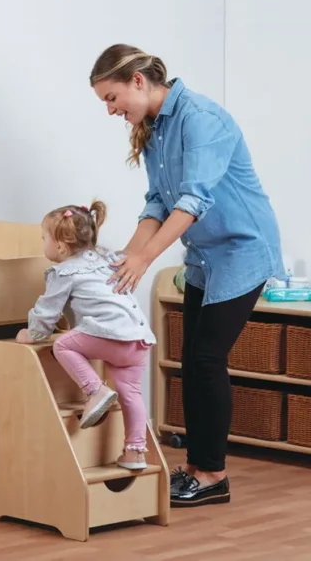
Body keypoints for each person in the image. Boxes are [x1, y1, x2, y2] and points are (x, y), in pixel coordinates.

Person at [89, 44, 284, 508]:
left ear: (138, 81)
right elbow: (158, 199)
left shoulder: (200, 119)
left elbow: (193, 202)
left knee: (205, 360)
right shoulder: (155, 128)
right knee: (191, 361)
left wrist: (148, 259)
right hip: (205, 255)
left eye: (112, 99)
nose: (112, 111)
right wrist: (129, 255)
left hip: (242, 250)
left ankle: (212, 474)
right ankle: (197, 468)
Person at [16, 201, 156, 471]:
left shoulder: (64, 272)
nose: (42, 243)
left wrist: (31, 333)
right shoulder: (107, 258)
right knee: (131, 394)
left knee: (64, 345)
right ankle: (135, 451)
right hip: (138, 337)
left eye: (43, 237)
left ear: (60, 245)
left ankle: (95, 390)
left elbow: (47, 312)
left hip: (112, 335)